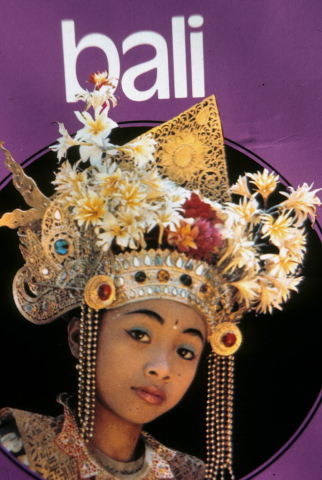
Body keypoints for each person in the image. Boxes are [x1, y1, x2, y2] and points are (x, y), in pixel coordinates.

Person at [0, 71, 320, 480]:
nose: (162, 368)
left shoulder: (193, 475)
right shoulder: (17, 441)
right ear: (80, 337)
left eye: (186, 351)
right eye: (139, 333)